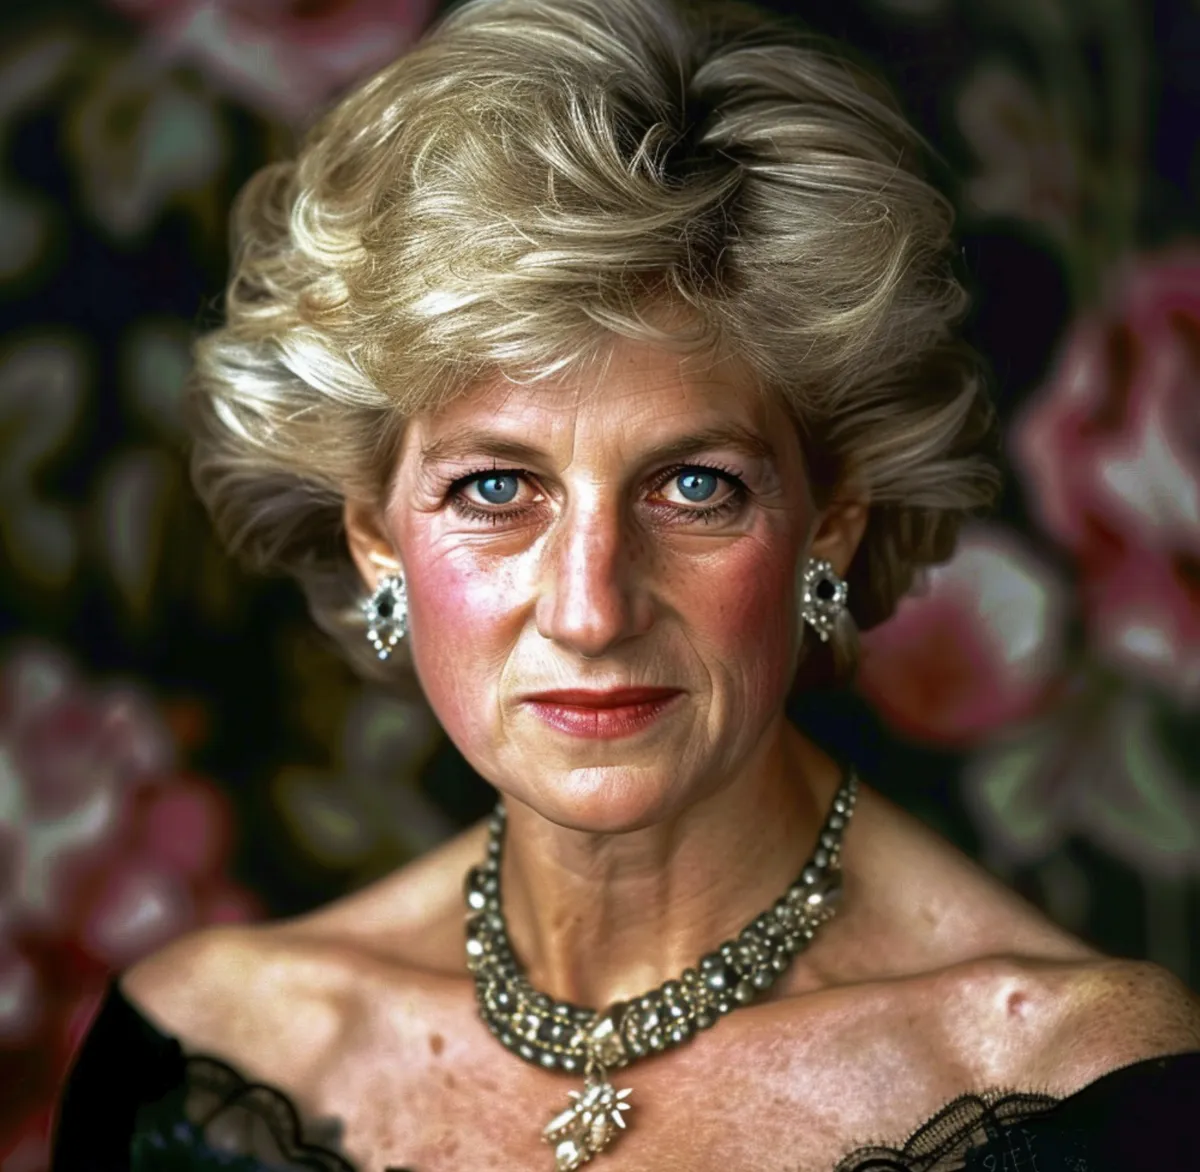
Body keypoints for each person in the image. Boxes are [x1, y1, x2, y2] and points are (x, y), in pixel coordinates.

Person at [51, 0, 1200, 1169]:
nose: (591, 610)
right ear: (374, 540)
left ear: (830, 526)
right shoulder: (199, 1067)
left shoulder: (1081, 1083)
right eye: (497, 488)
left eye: (694, 487)